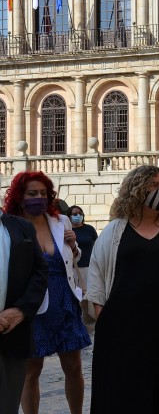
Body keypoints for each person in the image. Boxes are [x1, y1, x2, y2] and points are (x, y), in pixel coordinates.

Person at [87, 165, 159, 414]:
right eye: (153, 185)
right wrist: (107, 320)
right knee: (125, 395)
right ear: (136, 189)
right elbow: (97, 281)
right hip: (124, 336)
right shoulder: (114, 231)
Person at [3, 171, 90, 414]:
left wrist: (73, 246)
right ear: (20, 196)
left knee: (73, 366)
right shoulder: (10, 225)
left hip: (64, 300)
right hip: (32, 305)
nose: (38, 198)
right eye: (32, 193)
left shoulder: (60, 220)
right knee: (31, 371)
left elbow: (71, 260)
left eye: (43, 193)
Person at [0, 201, 48, 414]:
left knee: (7, 405)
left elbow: (39, 271)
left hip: (12, 333)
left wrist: (21, 310)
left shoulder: (22, 227)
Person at [67, 206, 98, 295]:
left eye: (80, 214)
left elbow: (97, 245)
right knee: (74, 293)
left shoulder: (89, 229)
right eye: (75, 214)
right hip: (72, 267)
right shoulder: (67, 230)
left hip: (88, 267)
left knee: (88, 294)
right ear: (69, 216)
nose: (78, 216)